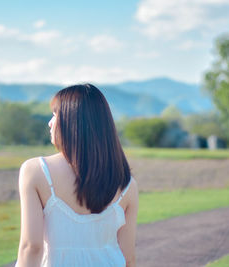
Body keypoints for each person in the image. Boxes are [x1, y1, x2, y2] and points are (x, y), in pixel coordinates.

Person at [15, 84, 138, 267]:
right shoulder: (127, 184)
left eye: (55, 114)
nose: (50, 122)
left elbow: (31, 247)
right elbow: (128, 258)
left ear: (72, 122)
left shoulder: (36, 171)